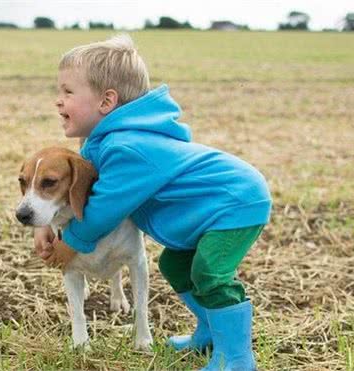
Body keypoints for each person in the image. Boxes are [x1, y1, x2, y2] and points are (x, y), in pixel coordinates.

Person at [34, 34, 271, 371]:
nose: (58, 101)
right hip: (220, 207)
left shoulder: (128, 148)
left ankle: (235, 358)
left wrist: (68, 244)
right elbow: (80, 191)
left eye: (68, 92)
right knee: (175, 265)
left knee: (210, 274)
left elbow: (103, 210)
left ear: (106, 101)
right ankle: (210, 333)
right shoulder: (103, 144)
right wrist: (43, 225)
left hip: (235, 203)